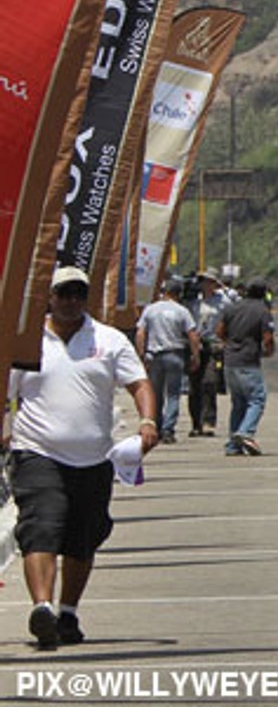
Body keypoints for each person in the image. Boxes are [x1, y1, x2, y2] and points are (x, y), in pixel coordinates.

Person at [2, 266, 158, 649]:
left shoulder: (108, 339)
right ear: (49, 297)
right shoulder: (28, 342)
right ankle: (42, 609)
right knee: (41, 527)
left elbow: (139, 383)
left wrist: (148, 421)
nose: (71, 301)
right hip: (37, 452)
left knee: (81, 539)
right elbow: (5, 391)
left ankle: (68, 613)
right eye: (64, 293)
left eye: (78, 294)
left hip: (93, 459)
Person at [133, 276, 200, 446]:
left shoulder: (150, 309)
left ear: (164, 292)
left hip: (154, 356)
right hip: (175, 355)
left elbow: (140, 333)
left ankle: (157, 424)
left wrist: (141, 354)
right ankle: (168, 430)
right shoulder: (182, 311)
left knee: (156, 394)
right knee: (173, 394)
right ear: (178, 294)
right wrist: (195, 356)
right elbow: (192, 335)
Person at [217, 281, 274, 457]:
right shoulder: (262, 310)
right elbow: (267, 336)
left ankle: (233, 445)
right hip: (248, 361)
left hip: (230, 361)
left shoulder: (231, 308)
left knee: (238, 403)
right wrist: (268, 350)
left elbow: (219, 331)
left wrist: (228, 344)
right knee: (257, 398)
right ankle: (246, 432)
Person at [189, 274, 233, 437]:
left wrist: (225, 340)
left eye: (208, 282)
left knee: (209, 382)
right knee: (194, 386)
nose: (205, 285)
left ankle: (208, 421)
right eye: (202, 282)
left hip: (213, 345)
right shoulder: (194, 302)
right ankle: (196, 423)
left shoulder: (223, 302)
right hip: (196, 345)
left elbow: (230, 320)